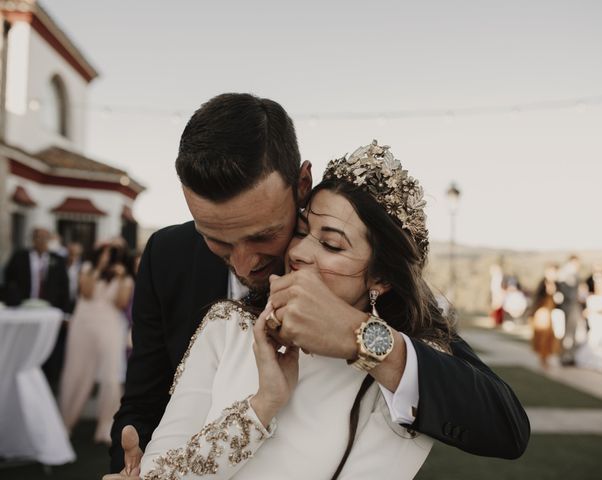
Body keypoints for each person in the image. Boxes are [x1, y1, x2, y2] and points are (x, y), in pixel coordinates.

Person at [107, 94, 529, 478]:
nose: (243, 263)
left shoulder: (392, 349)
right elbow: (144, 400)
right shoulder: (173, 261)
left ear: (302, 186)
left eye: (263, 235)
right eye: (216, 240)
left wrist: (355, 335)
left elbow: (500, 421)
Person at [59, 243, 135, 444]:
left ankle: (106, 426)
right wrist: (99, 269)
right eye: (105, 252)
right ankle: (66, 423)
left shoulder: (126, 278)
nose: (107, 257)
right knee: (76, 373)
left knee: (111, 376)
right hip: (82, 324)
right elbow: (86, 292)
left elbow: (120, 303)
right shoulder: (87, 269)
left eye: (112, 254)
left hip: (109, 325)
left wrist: (118, 277)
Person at [3, 227, 71, 391]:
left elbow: (64, 288)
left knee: (48, 348)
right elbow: (8, 281)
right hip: (23, 311)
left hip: (48, 312)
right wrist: (15, 301)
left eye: (45, 238)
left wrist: (65, 313)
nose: (41, 242)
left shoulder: (57, 260)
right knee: (24, 346)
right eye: (38, 238)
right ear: (32, 240)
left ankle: (46, 384)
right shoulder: (19, 257)